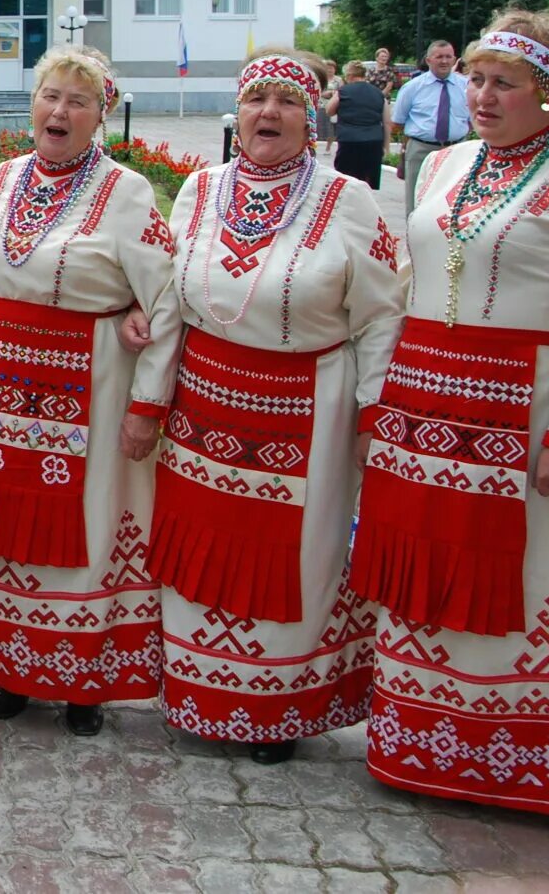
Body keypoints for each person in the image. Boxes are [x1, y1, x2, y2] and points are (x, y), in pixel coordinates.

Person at [350, 13, 549, 820]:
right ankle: (413, 742)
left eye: (503, 82)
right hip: (424, 398)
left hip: (522, 408)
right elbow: (406, 280)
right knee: (422, 573)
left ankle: (511, 758)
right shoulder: (443, 166)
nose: (482, 95)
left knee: (522, 576)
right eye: (476, 78)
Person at [147, 50, 405, 765]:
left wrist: (371, 410)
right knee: (200, 551)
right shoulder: (200, 190)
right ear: (239, 110)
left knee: (294, 557)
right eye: (257, 98)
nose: (268, 113)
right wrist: (147, 380)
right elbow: (169, 294)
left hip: (307, 402)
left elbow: (382, 312)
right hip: (201, 401)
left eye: (287, 101)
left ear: (312, 115)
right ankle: (199, 694)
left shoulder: (347, 199)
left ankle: (275, 709)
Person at [0, 48, 180, 737]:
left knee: (87, 528)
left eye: (78, 102)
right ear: (33, 105)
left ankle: (83, 679)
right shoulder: (1, 178)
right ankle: (12, 671)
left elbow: (166, 298)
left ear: (100, 117)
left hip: (92, 383)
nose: (60, 111)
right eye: (51, 96)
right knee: (2, 531)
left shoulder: (127, 191)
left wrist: (147, 402)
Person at [392, 40, 469, 216]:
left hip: (456, 149)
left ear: (454, 59)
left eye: (448, 57)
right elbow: (398, 122)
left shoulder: (465, 86)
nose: (444, 61)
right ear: (428, 60)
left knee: (455, 198)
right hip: (421, 149)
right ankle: (415, 239)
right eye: (439, 57)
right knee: (416, 199)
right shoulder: (413, 87)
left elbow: (471, 119)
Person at [330, 60, 388, 190]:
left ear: (349, 75)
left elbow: (329, 110)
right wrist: (386, 146)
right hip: (373, 141)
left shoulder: (343, 91)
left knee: (345, 182)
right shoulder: (378, 93)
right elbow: (387, 121)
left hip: (349, 140)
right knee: (368, 183)